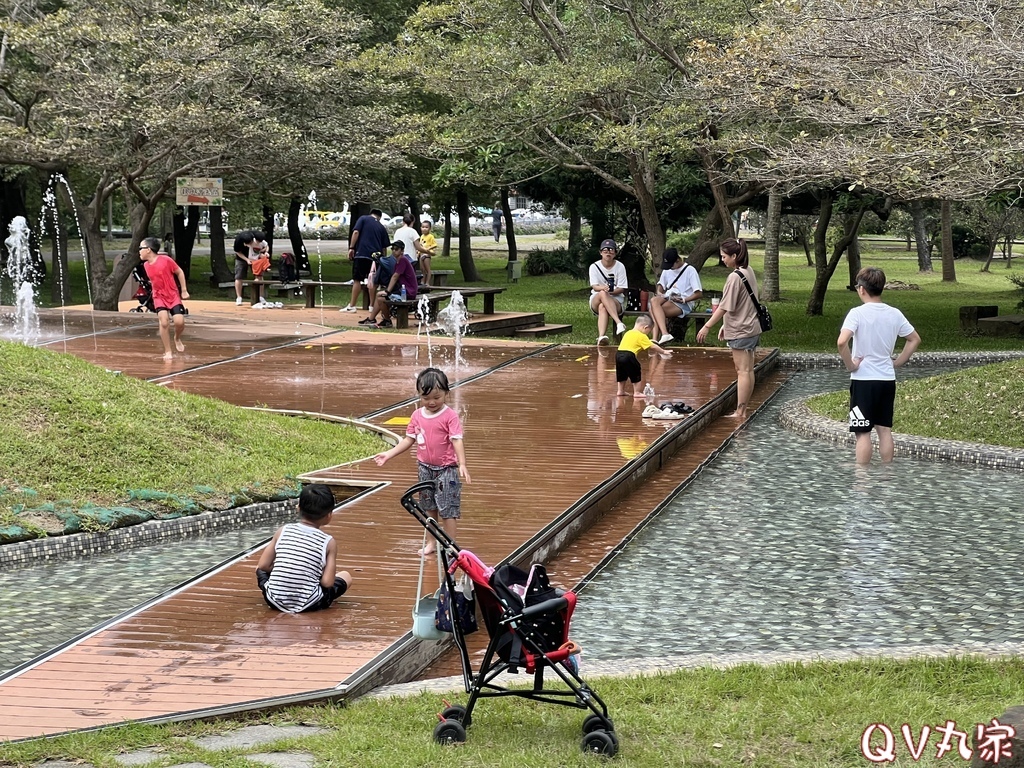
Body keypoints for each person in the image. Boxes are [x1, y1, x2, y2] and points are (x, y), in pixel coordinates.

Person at [374, 367, 470, 556]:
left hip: (446, 469)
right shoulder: (417, 416)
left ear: (446, 393)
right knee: (429, 507)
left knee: (447, 509)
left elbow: (456, 439)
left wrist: (462, 463)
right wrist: (389, 454)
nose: (432, 402)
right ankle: (432, 542)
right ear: (418, 395)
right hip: (425, 468)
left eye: (437, 397)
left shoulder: (449, 416)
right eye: (426, 398)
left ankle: (450, 545)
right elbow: (409, 439)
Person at [837, 266, 921, 464]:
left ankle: (862, 480)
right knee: (884, 430)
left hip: (863, 381)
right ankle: (886, 477)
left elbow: (842, 342)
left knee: (863, 432)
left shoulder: (857, 313)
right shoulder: (895, 314)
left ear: (862, 289)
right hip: (886, 379)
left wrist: (851, 365)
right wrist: (898, 362)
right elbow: (914, 339)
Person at [255, 483, 353, 613]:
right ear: (329, 516)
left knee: (258, 569)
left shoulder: (283, 530)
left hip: (273, 599)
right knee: (346, 576)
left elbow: (262, 566)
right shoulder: (328, 542)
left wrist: (286, 566)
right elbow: (327, 583)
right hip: (310, 603)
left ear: (298, 507)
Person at [695, 238, 760, 419]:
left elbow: (724, 306)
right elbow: (742, 302)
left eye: (724, 256)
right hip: (751, 327)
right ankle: (743, 409)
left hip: (741, 330)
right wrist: (725, 323)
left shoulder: (734, 277)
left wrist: (707, 326)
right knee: (748, 370)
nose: (722, 259)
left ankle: (740, 411)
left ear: (734, 256)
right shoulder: (749, 271)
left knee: (743, 371)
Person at [139, 236, 189, 361]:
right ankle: (168, 351)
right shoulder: (145, 265)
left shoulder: (166, 260)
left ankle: (177, 338)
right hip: (158, 296)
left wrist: (184, 290)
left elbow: (179, 272)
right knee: (164, 322)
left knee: (179, 322)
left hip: (172, 295)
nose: (139, 251)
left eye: (141, 248)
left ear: (148, 249)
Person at [649, 247, 703, 344]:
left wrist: (684, 300)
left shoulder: (690, 270)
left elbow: (698, 293)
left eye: (671, 265)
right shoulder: (667, 269)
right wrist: (660, 293)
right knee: (654, 301)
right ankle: (662, 335)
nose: (670, 268)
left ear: (678, 260)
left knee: (654, 309)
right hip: (668, 297)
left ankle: (657, 337)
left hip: (683, 302)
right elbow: (661, 284)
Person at [343, 208, 390, 313]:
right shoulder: (382, 227)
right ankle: (371, 306)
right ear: (379, 217)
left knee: (357, 279)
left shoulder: (363, 219)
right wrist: (382, 260)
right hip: (375, 258)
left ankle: (352, 305)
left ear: (371, 214)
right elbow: (384, 247)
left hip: (362, 254)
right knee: (372, 280)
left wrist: (351, 247)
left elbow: (356, 232)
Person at [364, 240, 418, 328]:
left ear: (402, 251)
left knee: (380, 297)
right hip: (405, 290)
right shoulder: (398, 261)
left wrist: (388, 291)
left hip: (408, 292)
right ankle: (373, 319)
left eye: (396, 249)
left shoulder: (402, 260)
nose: (394, 250)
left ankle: (387, 320)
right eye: (392, 248)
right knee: (379, 295)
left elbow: (395, 276)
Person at [616, 315, 669, 398]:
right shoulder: (641, 335)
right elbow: (653, 346)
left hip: (618, 355)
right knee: (636, 371)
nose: (648, 333)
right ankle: (636, 392)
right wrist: (663, 351)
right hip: (629, 355)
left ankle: (620, 391)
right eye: (649, 331)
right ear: (645, 327)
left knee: (622, 373)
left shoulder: (628, 333)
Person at [589, 238, 628, 345]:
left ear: (615, 253)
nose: (608, 253)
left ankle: (601, 337)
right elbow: (595, 286)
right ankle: (618, 322)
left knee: (603, 306)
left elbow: (622, 288)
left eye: (611, 250)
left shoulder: (620, 266)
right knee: (602, 293)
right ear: (601, 253)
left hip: (616, 300)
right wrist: (604, 289)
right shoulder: (594, 267)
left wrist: (611, 291)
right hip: (596, 298)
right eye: (605, 251)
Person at [232, 230, 265, 306]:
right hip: (242, 258)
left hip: (255, 258)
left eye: (251, 243)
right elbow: (237, 252)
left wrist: (263, 253)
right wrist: (246, 260)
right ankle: (239, 297)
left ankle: (261, 297)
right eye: (248, 244)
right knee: (239, 276)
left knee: (259, 276)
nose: (250, 245)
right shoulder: (238, 240)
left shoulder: (256, 235)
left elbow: (264, 245)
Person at [418, 219, 438, 287]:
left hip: (427, 254)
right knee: (422, 269)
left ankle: (427, 282)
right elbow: (420, 245)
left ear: (429, 228)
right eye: (423, 227)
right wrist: (418, 252)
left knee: (427, 269)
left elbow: (435, 244)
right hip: (421, 254)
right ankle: (423, 281)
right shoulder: (421, 236)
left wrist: (428, 249)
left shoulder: (430, 236)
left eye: (426, 227)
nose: (424, 229)